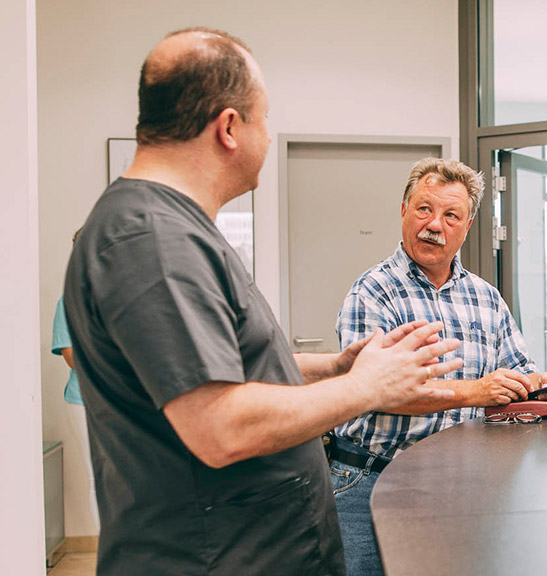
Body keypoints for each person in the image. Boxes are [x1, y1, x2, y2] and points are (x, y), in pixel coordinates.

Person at [63, 28, 462, 576]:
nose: (269, 139)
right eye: (265, 119)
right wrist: (366, 387)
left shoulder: (174, 229)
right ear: (229, 127)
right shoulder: (149, 239)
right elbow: (220, 425)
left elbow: (223, 370)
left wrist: (335, 366)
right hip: (215, 558)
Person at [329, 157, 547, 575]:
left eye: (450, 215)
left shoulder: (486, 297)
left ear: (467, 226)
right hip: (370, 483)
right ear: (403, 210)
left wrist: (539, 386)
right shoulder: (372, 293)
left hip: (460, 490)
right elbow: (374, 391)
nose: (434, 224)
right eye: (424, 208)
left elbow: (515, 371)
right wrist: (477, 391)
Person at [51, 227, 100, 531]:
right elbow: (72, 356)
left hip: (132, 403)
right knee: (99, 477)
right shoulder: (69, 301)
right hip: (85, 402)